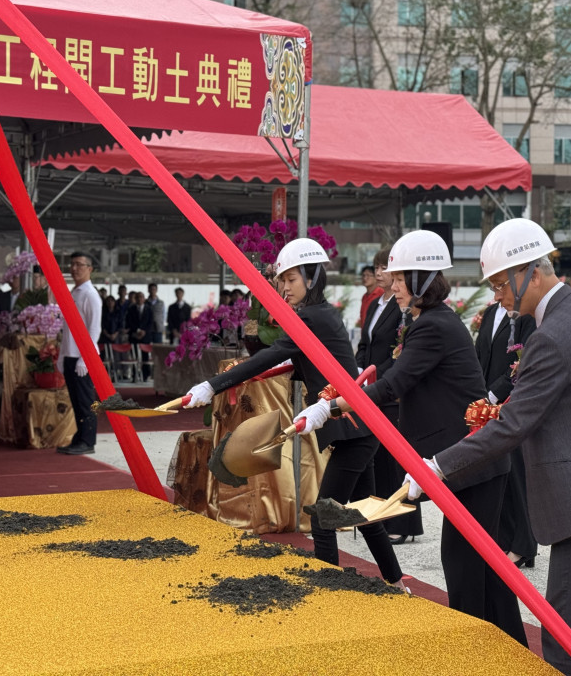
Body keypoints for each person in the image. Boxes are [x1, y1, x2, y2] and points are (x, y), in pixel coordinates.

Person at [397, 218, 571, 675]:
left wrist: (436, 467)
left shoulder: (549, 338)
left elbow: (512, 427)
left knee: (565, 643)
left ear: (532, 274)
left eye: (501, 284)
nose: (497, 295)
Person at [296, 231, 526, 645]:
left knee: (464, 567)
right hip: (471, 461)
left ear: (421, 280)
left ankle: (473, 651)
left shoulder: (433, 326)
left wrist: (329, 408)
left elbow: (391, 385)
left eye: (400, 278)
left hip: (470, 462)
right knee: (482, 567)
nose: (391, 285)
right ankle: (506, 650)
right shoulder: (430, 321)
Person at [182, 238, 407, 591]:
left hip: (351, 427)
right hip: (356, 426)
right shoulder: (320, 314)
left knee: (323, 515)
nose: (284, 287)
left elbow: (273, 354)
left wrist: (213, 385)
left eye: (292, 279)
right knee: (362, 512)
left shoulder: (312, 316)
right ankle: (396, 582)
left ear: (313, 278)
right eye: (282, 280)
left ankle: (325, 592)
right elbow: (294, 359)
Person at [356, 247, 419, 544]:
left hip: (388, 385)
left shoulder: (402, 306)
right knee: (377, 457)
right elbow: (365, 343)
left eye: (385, 267)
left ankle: (403, 522)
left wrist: (375, 377)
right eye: (377, 267)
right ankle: (382, 513)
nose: (380, 273)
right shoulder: (373, 304)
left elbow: (400, 349)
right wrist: (357, 370)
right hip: (369, 384)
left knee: (394, 457)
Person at [477, 297, 538, 570]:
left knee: (517, 475)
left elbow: (523, 360)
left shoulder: (526, 315)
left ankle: (525, 545)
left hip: (513, 403)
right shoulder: (491, 312)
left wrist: (493, 393)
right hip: (488, 405)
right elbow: (481, 355)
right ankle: (503, 538)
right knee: (500, 472)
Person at [56, 253, 103, 456]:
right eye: (72, 264)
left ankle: (88, 439)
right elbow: (68, 329)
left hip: (82, 357)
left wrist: (86, 357)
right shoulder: (75, 292)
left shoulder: (90, 294)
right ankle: (80, 435)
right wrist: (62, 354)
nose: (74, 268)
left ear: (90, 268)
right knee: (76, 400)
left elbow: (94, 329)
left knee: (85, 400)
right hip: (70, 353)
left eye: (80, 265)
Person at [127, 291, 154, 380]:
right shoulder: (131, 309)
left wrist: (144, 331)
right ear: (135, 299)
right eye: (137, 297)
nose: (139, 299)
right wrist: (137, 330)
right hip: (134, 336)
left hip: (145, 337)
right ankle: (135, 375)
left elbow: (150, 323)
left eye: (141, 297)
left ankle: (145, 375)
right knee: (134, 356)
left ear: (144, 299)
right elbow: (129, 322)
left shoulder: (149, 309)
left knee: (145, 356)